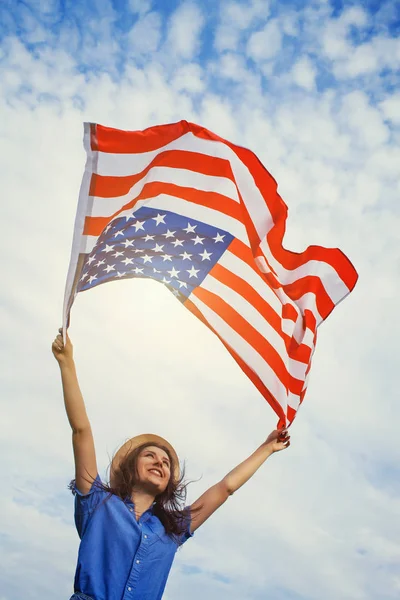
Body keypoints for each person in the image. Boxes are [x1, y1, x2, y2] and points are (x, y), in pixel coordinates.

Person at [52, 328, 290, 600]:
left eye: (165, 462)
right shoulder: (97, 502)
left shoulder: (173, 528)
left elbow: (225, 488)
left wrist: (267, 448)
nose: (160, 462)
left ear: (168, 482)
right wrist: (66, 362)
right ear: (131, 466)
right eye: (150, 456)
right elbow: (81, 431)